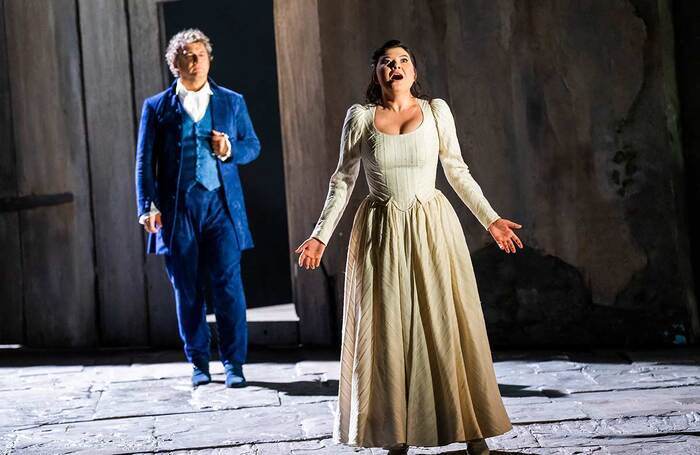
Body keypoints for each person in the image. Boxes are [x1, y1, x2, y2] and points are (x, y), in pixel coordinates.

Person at [295, 40, 522, 455]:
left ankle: (474, 433)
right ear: (376, 73)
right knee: (387, 331)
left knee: (445, 324)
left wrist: (490, 219)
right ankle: (394, 435)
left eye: (403, 61)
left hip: (432, 228)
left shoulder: (436, 111)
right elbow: (342, 181)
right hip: (382, 231)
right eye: (386, 62)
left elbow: (456, 170)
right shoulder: (361, 118)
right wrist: (320, 235)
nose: (395, 67)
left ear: (414, 72)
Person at [135, 29, 260, 388]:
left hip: (221, 207)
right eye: (187, 56)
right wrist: (147, 206)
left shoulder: (231, 101)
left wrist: (229, 149)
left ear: (209, 59)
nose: (195, 61)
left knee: (228, 286)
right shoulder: (157, 107)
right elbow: (145, 163)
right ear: (175, 63)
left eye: (201, 55)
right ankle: (199, 363)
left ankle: (234, 364)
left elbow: (253, 146)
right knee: (187, 289)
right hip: (178, 211)